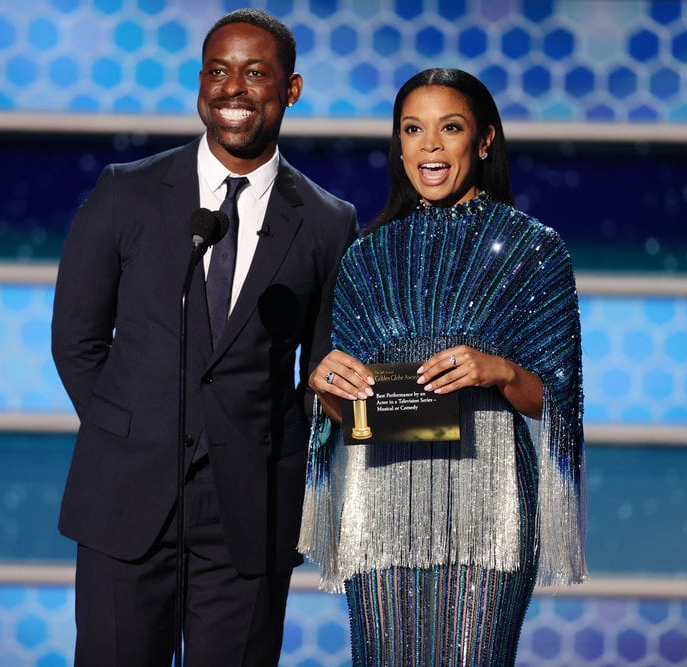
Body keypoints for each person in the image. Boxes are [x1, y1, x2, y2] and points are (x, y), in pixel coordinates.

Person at [51, 8, 357, 665]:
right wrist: (131, 431)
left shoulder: (329, 223)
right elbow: (76, 338)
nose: (233, 89)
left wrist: (280, 459)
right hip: (126, 501)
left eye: (255, 73)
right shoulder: (125, 192)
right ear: (199, 83)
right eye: (218, 72)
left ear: (292, 89)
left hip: (249, 516)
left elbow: (323, 371)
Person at [298, 68, 586, 665]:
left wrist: (499, 371)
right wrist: (325, 387)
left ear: (483, 141)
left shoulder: (534, 251)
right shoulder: (366, 257)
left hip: (491, 505)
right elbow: (355, 414)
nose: (429, 145)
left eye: (448, 128)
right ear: (398, 145)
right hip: (379, 505)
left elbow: (557, 402)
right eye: (412, 129)